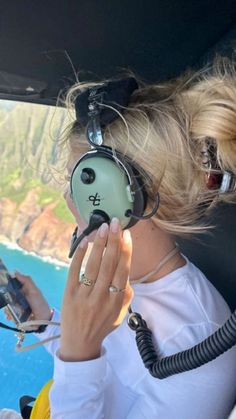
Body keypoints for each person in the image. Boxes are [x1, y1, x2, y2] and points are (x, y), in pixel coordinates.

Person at [13, 57, 236, 418]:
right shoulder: (124, 278)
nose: (68, 201)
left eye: (78, 185)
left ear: (119, 199)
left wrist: (79, 352)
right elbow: (103, 377)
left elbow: (86, 371)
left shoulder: (199, 345)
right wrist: (44, 321)